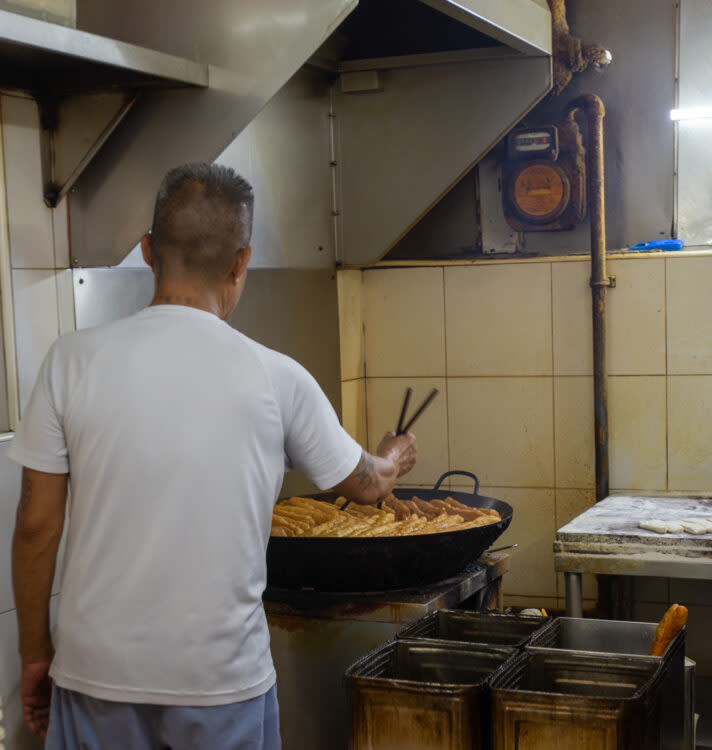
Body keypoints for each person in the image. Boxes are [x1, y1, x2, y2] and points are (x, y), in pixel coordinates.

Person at [9, 163, 417, 750]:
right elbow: (367, 485)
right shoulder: (277, 377)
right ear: (241, 262)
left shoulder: (70, 361)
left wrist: (34, 652)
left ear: (147, 250)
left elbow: (36, 526)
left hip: (94, 675)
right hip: (222, 682)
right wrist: (393, 456)